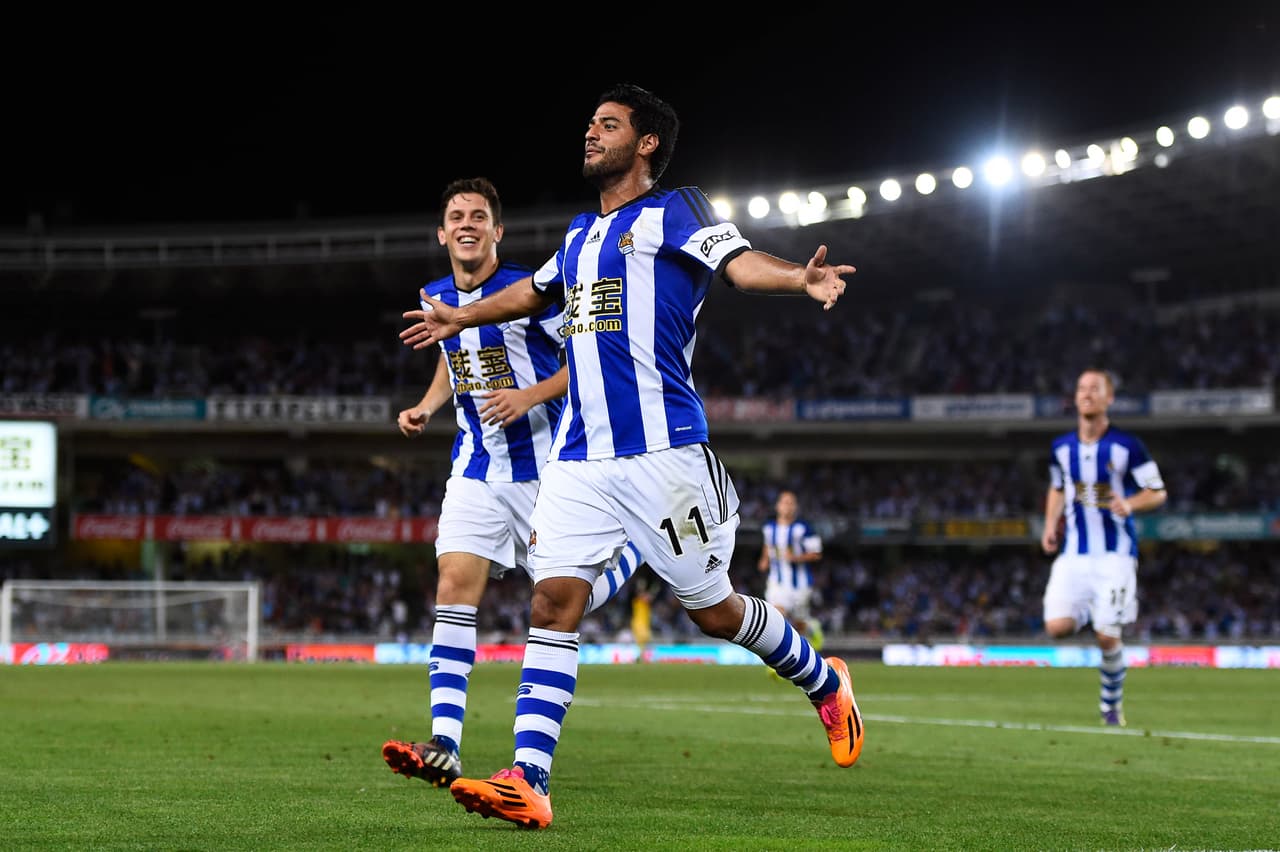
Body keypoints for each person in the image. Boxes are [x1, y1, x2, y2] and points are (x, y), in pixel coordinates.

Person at [399, 84, 862, 830]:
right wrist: (461, 314)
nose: (590, 133)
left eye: (607, 125)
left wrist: (797, 279)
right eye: (589, 123)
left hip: (664, 453)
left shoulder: (677, 210)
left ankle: (822, 681)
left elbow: (741, 265)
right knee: (551, 601)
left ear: (645, 143)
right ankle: (528, 777)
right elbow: (530, 296)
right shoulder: (581, 233)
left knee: (713, 611)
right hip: (579, 458)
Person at [381, 177, 641, 789]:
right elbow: (455, 359)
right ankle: (444, 743)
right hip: (475, 467)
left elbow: (588, 359)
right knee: (452, 583)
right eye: (455, 216)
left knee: (565, 597)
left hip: (547, 470)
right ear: (442, 233)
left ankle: (631, 558)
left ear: (497, 231)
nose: (466, 223)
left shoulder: (532, 295)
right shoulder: (435, 294)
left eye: (478, 216)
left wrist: (529, 395)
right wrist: (426, 406)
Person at [1040, 367, 1167, 727]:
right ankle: (1095, 611)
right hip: (1074, 556)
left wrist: (1130, 503)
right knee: (1057, 627)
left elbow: (1158, 492)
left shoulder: (1128, 446)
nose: (1087, 393)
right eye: (1081, 388)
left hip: (1115, 556)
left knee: (1107, 634)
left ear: (1109, 398)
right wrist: (1051, 524)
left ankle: (1111, 708)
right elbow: (1057, 487)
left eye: (1095, 388)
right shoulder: (1061, 448)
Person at [758, 489, 825, 653]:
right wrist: (764, 560)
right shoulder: (769, 528)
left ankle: (811, 627)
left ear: (795, 507)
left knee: (799, 623)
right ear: (777, 506)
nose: (787, 506)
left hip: (800, 583)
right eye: (784, 502)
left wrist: (796, 558)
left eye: (791, 503)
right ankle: (780, 655)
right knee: (777, 616)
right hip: (777, 582)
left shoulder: (804, 528)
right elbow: (767, 546)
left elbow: (816, 553)